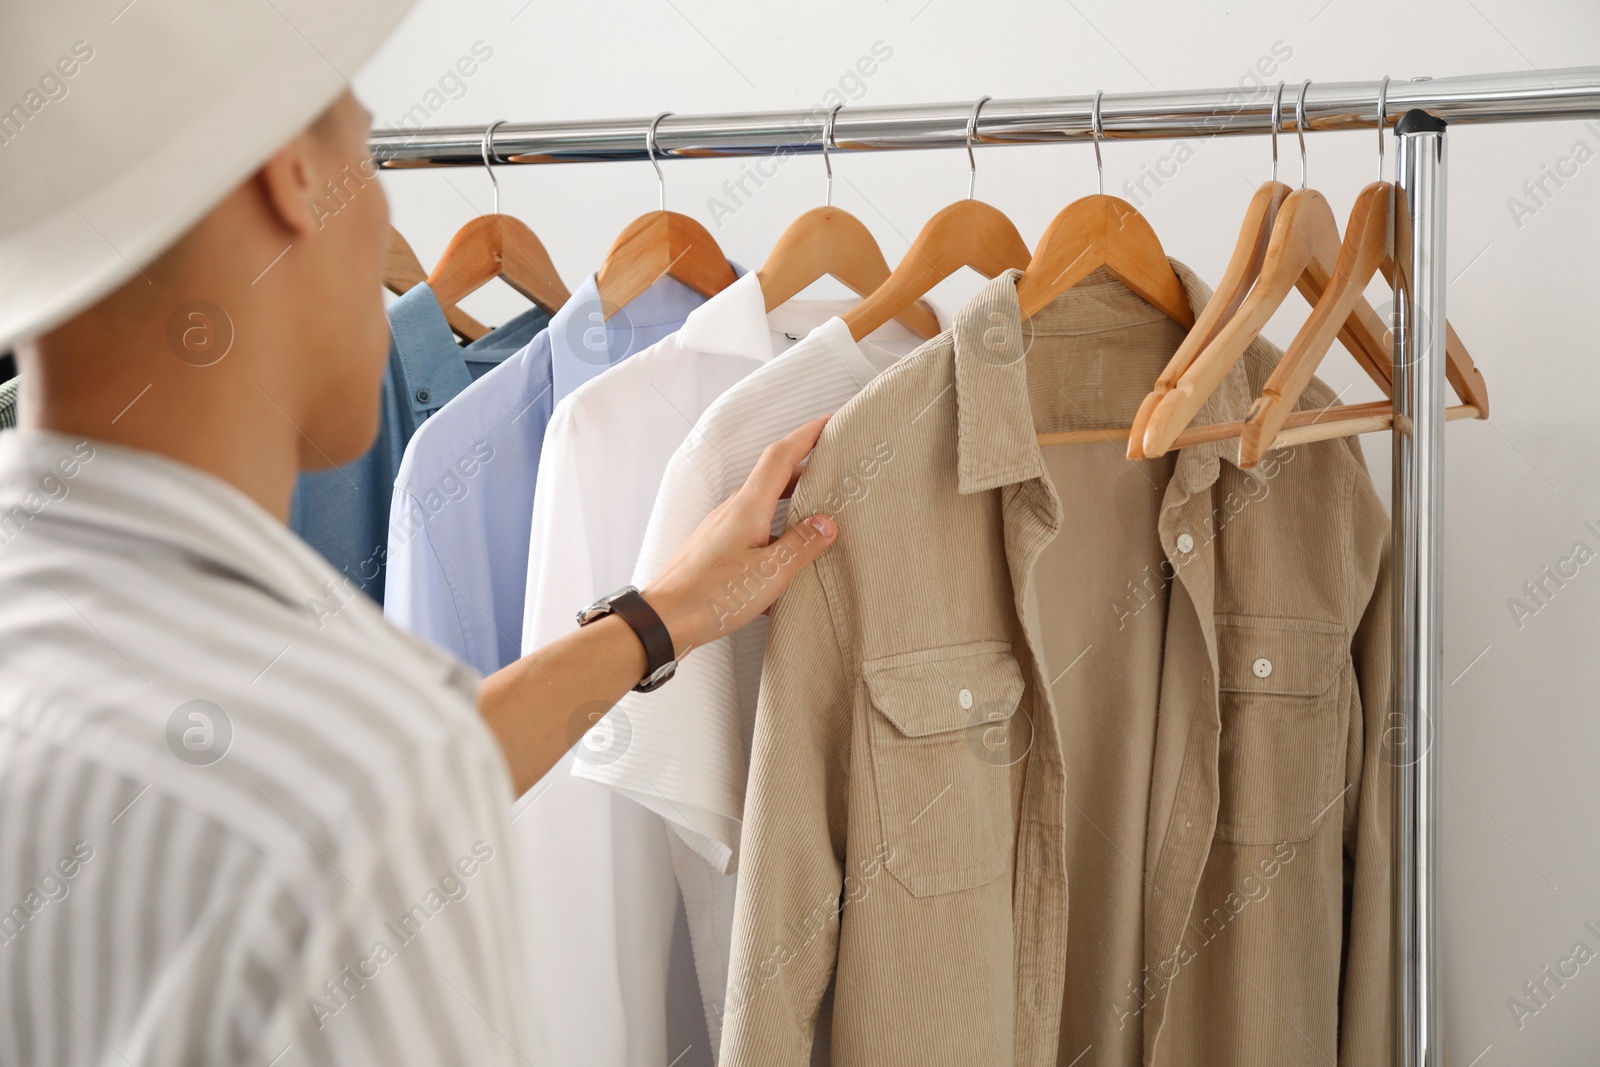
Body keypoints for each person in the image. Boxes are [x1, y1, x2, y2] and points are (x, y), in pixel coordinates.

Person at [0, 4, 834, 1064]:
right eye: (363, 137)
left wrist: (654, 618)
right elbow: (356, 801)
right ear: (290, 172)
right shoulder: (342, 792)